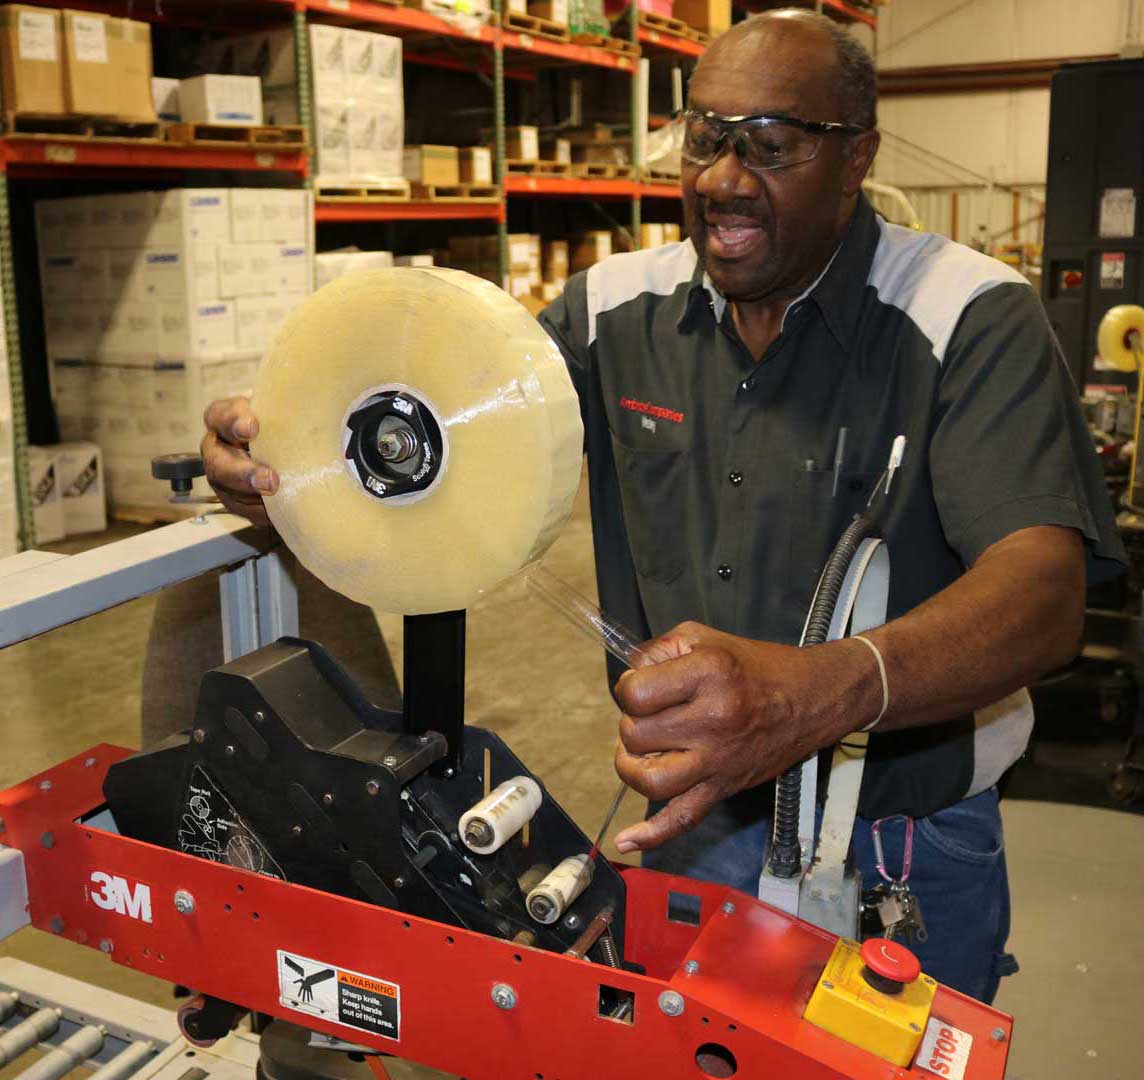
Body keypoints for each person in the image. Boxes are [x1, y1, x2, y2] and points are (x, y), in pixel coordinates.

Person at [201, 10, 1124, 1004]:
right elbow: (456, 440)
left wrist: (808, 694)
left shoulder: (966, 317)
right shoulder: (609, 311)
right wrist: (286, 462)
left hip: (900, 843)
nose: (722, 178)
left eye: (768, 146)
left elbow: (1041, 596)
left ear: (855, 155)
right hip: (695, 824)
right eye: (703, 138)